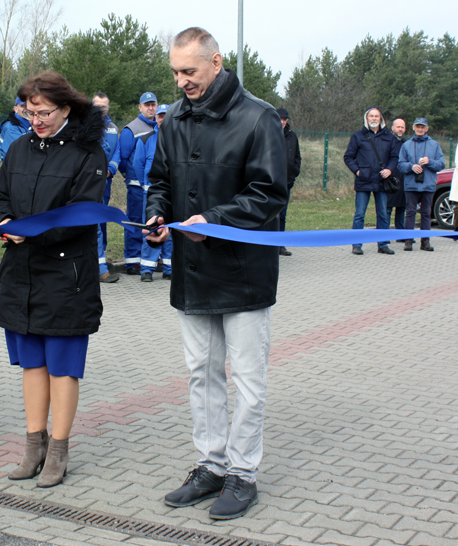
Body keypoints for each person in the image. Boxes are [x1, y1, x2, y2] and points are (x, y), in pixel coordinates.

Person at [145, 27, 287, 520]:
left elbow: (270, 193)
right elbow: (159, 180)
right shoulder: (174, 120)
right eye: (175, 72)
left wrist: (217, 221)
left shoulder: (259, 116)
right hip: (192, 269)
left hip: (243, 272)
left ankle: (243, 474)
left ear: (217, 62)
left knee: (248, 379)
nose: (181, 81)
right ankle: (210, 464)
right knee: (201, 375)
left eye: (189, 70)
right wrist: (158, 216)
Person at [0, 71, 107, 488]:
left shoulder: (88, 152)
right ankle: (32, 445)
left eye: (43, 112)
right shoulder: (19, 148)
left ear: (66, 109)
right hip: (22, 274)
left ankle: (59, 449)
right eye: (29, 111)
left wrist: (33, 230)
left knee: (62, 368)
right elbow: (1, 195)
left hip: (66, 277)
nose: (35, 120)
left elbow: (83, 214)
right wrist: (4, 221)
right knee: (32, 365)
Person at [344, 106, 399, 255]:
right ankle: (356, 244)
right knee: (360, 214)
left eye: (377, 116)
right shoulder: (358, 136)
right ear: (366, 119)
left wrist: (390, 169)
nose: (374, 119)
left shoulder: (389, 137)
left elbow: (395, 157)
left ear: (381, 119)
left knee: (382, 214)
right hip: (364, 180)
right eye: (371, 116)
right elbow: (348, 157)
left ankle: (382, 244)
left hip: (382, 181)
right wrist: (358, 171)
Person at [118, 92, 159, 274]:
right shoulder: (131, 129)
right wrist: (130, 177)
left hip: (154, 186)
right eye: (146, 105)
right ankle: (133, 260)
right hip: (136, 185)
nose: (150, 108)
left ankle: (150, 259)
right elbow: (123, 158)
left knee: (153, 222)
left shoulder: (159, 127)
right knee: (135, 222)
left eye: (153, 104)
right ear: (140, 107)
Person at [133, 103, 172, 282]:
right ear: (155, 118)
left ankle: (170, 268)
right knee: (151, 228)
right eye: (160, 115)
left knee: (171, 229)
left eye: (166, 115)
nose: (162, 119)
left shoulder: (179, 138)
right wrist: (146, 184)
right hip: (152, 192)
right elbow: (137, 165)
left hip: (173, 193)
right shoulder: (146, 139)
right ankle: (147, 269)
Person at [397, 118, 446, 251]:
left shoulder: (434, 145)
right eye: (418, 126)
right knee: (410, 212)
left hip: (428, 184)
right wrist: (411, 167)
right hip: (411, 185)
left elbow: (441, 164)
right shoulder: (406, 145)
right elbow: (400, 165)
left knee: (426, 213)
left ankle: (425, 242)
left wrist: (429, 162)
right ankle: (408, 241)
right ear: (413, 128)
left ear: (427, 129)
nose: (420, 129)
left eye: (422, 127)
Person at [92, 92, 121, 283]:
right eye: (98, 106)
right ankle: (100, 267)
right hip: (92, 183)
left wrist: (111, 169)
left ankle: (100, 258)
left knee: (102, 222)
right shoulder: (85, 126)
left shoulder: (112, 128)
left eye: (105, 106)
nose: (102, 109)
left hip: (106, 183)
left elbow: (117, 152)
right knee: (94, 222)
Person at [276, 108, 301, 257]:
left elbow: (297, 155)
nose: (282, 122)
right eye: (280, 119)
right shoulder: (268, 134)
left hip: (287, 182)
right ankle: (267, 245)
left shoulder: (292, 137)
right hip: (271, 182)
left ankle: (280, 245)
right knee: (270, 215)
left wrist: (295, 170)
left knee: (282, 215)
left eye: (285, 119)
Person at [387, 119, 407, 237]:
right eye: (398, 127)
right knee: (387, 209)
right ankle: (384, 236)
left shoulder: (406, 143)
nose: (400, 129)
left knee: (401, 209)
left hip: (403, 180)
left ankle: (400, 235)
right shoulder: (387, 141)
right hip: (390, 180)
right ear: (393, 128)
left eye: (402, 127)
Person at [0, 97, 32, 161]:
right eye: (23, 106)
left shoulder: (32, 124)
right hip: (16, 168)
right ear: (16, 109)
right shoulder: (10, 128)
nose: (26, 109)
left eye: (29, 105)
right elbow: (24, 151)